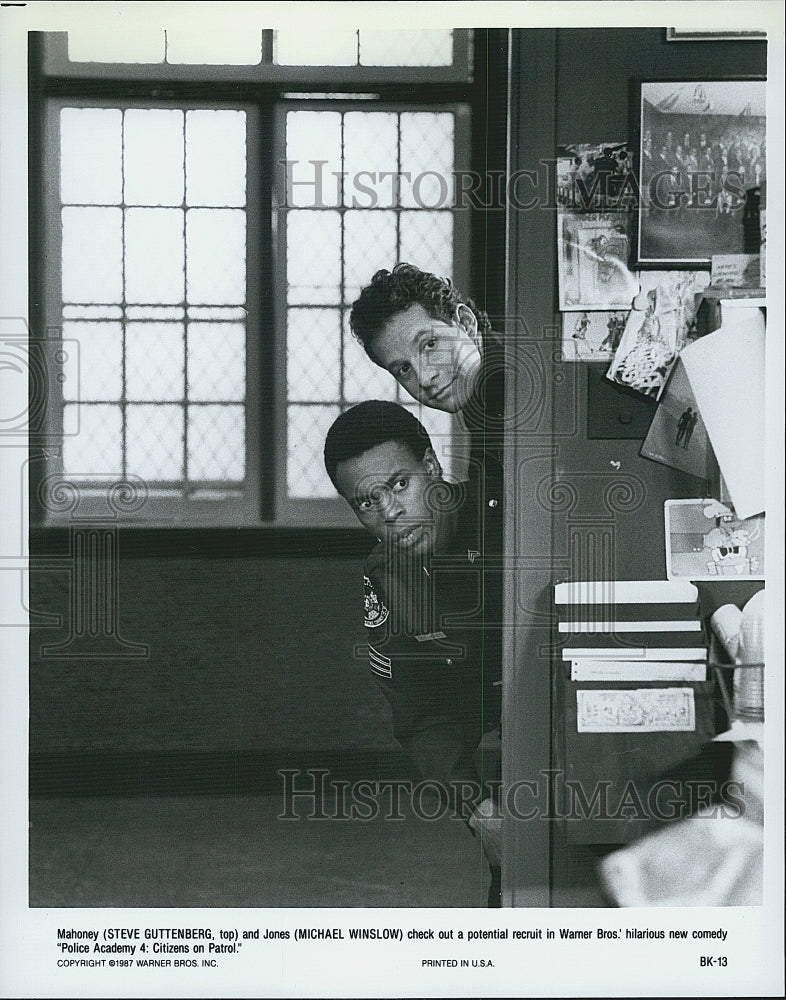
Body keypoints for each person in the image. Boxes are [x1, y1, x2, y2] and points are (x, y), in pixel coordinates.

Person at [323, 400, 502, 905]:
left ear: (431, 466)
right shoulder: (387, 578)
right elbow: (421, 716)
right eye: (366, 502)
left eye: (400, 484)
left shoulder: (511, 517)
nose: (390, 513)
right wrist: (478, 808)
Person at [348, 264, 505, 524]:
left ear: (465, 323)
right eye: (403, 368)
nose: (424, 378)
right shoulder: (482, 387)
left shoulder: (506, 384)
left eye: (430, 344)